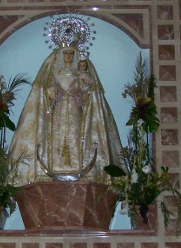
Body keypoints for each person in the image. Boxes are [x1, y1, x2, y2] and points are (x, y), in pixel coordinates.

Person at [8, 44, 124, 185]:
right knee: (57, 135)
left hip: (74, 109)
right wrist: (55, 91)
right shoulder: (55, 73)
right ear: (61, 56)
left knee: (75, 135)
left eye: (71, 53)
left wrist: (81, 91)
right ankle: (57, 165)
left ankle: (75, 166)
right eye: (66, 53)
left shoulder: (80, 73)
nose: (68, 56)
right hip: (59, 109)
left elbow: (87, 93)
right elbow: (47, 92)